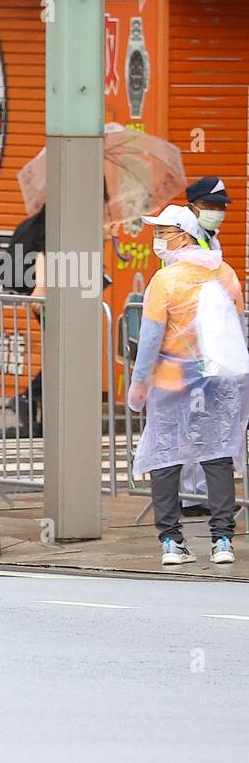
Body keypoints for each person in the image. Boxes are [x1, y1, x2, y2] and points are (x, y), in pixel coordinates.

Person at [127, 205, 249, 566]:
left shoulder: (165, 280)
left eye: (164, 231)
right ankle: (223, 539)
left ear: (183, 233)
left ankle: (170, 542)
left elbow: (149, 339)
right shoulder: (225, 273)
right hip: (218, 381)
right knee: (217, 453)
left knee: (165, 456)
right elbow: (239, 329)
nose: (158, 238)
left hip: (171, 381)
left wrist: (138, 384)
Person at [178, 175, 235, 514]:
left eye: (220, 207)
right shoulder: (186, 241)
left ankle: (202, 492)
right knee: (191, 419)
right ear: (192, 206)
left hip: (210, 341)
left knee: (208, 418)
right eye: (210, 205)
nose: (216, 212)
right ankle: (190, 494)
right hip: (190, 341)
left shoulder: (210, 240)